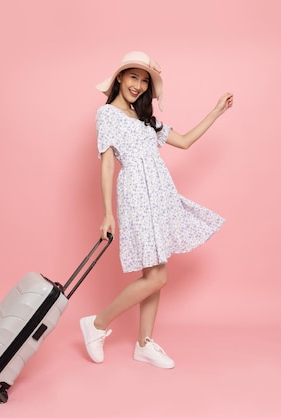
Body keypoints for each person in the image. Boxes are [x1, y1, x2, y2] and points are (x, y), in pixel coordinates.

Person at [79, 51, 234, 369]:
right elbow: (107, 164)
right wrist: (107, 214)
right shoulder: (107, 115)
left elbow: (186, 140)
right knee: (158, 276)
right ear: (120, 77)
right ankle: (96, 324)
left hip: (160, 195)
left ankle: (143, 344)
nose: (138, 85)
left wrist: (216, 111)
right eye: (133, 76)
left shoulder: (146, 119)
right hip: (136, 194)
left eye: (144, 80)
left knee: (154, 271)